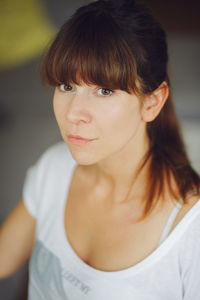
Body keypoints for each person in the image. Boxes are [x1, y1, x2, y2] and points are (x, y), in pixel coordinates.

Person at [0, 0, 200, 299]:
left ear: (152, 102)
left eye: (104, 91)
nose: (73, 114)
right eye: (66, 86)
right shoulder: (54, 168)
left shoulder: (190, 230)